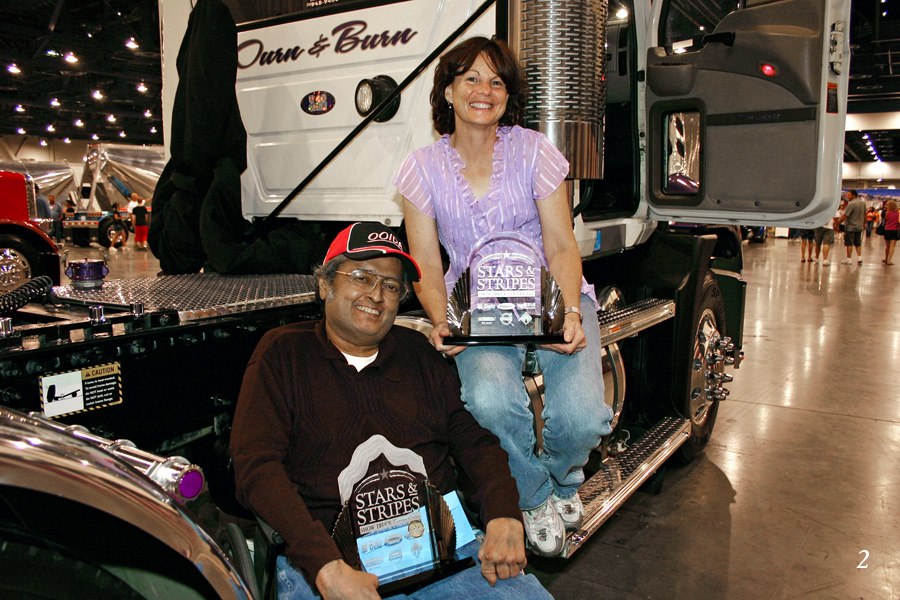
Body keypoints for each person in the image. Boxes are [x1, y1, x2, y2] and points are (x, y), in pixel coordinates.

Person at [230, 222, 552, 600]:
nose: (377, 295)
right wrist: (324, 565)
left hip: (442, 552)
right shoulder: (284, 354)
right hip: (332, 563)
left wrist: (504, 512)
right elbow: (256, 467)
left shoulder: (417, 352)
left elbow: (473, 441)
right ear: (325, 285)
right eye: (362, 277)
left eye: (391, 286)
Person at [395, 36, 613, 556]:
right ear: (448, 91)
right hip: (478, 310)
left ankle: (563, 478)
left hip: (551, 298)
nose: (484, 90)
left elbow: (561, 244)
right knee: (490, 401)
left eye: (496, 81)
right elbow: (425, 262)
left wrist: (570, 312)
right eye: (470, 78)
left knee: (583, 418)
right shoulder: (421, 169)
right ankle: (532, 495)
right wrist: (441, 319)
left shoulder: (534, 150)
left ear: (507, 96)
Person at [839, 190, 865, 264]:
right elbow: (865, 214)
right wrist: (864, 223)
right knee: (858, 243)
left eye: (849, 195)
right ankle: (859, 258)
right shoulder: (863, 203)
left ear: (854, 195)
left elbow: (845, 215)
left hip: (850, 227)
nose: (847, 196)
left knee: (849, 243)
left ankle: (849, 259)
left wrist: (838, 223)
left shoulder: (851, 203)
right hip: (859, 226)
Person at [882, 200, 899, 265]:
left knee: (887, 246)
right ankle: (889, 260)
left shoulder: (887, 213)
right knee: (892, 246)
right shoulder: (898, 213)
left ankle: (886, 258)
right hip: (895, 230)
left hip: (887, 230)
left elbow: (885, 221)